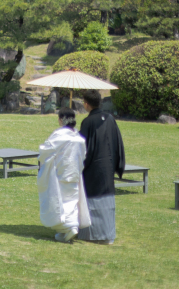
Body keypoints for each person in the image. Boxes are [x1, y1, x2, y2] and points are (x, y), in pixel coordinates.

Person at [77, 90, 125, 245]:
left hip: (93, 167)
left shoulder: (88, 122)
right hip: (108, 165)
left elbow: (82, 148)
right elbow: (117, 143)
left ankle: (91, 234)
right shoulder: (110, 118)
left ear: (86, 103)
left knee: (93, 200)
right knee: (107, 200)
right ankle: (108, 233)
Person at [37, 107, 90, 242]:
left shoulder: (59, 135)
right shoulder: (79, 138)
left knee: (60, 201)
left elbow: (45, 150)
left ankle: (69, 226)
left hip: (60, 173)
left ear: (61, 119)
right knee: (71, 200)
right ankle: (65, 230)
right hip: (74, 173)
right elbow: (83, 155)